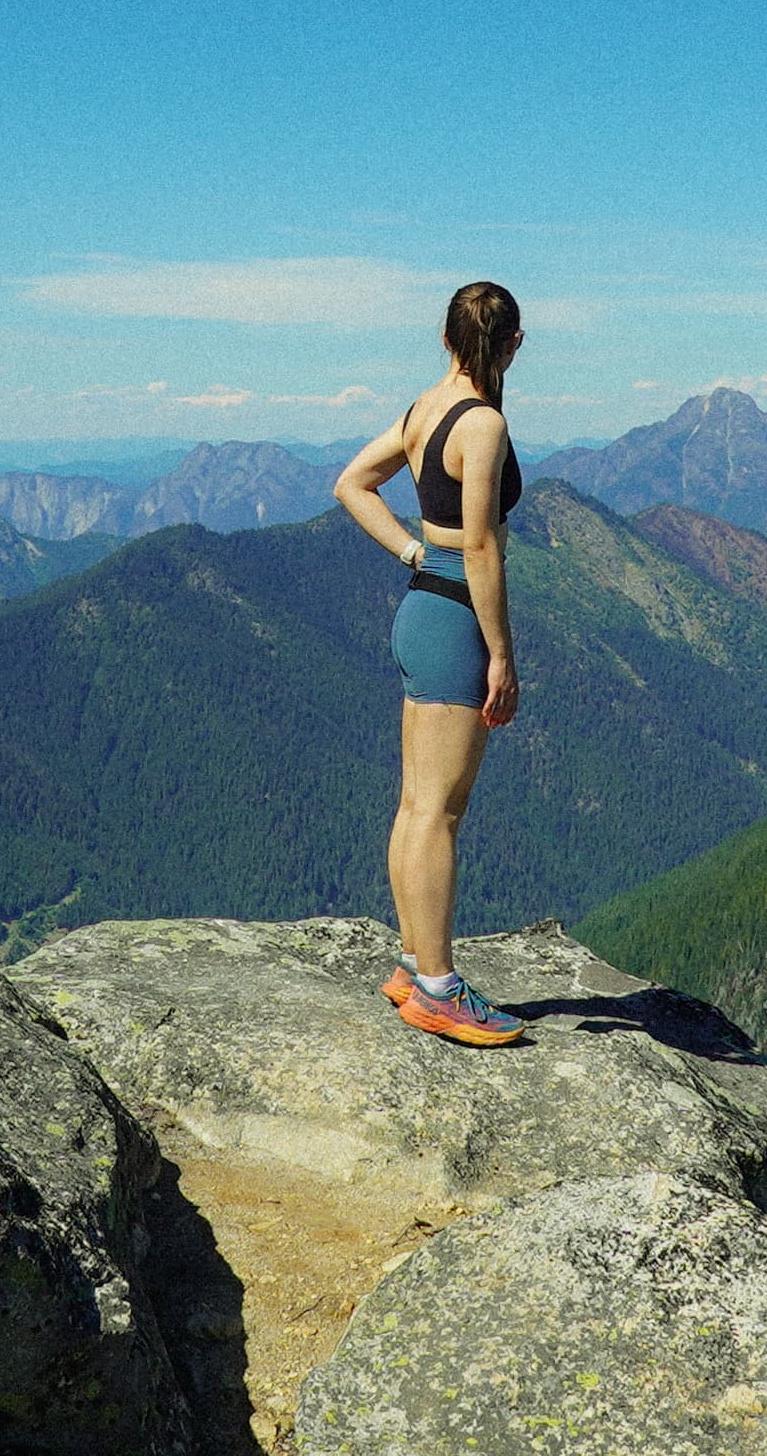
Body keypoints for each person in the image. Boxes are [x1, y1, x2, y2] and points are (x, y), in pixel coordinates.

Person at [332, 280, 533, 1046]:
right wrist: (503, 655)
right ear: (513, 344)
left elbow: (352, 483)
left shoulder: (424, 409)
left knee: (417, 802)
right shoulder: (481, 424)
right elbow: (481, 545)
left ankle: (414, 964)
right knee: (441, 811)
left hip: (420, 603)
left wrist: (412, 549)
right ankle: (440, 989)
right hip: (456, 616)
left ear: (446, 339)